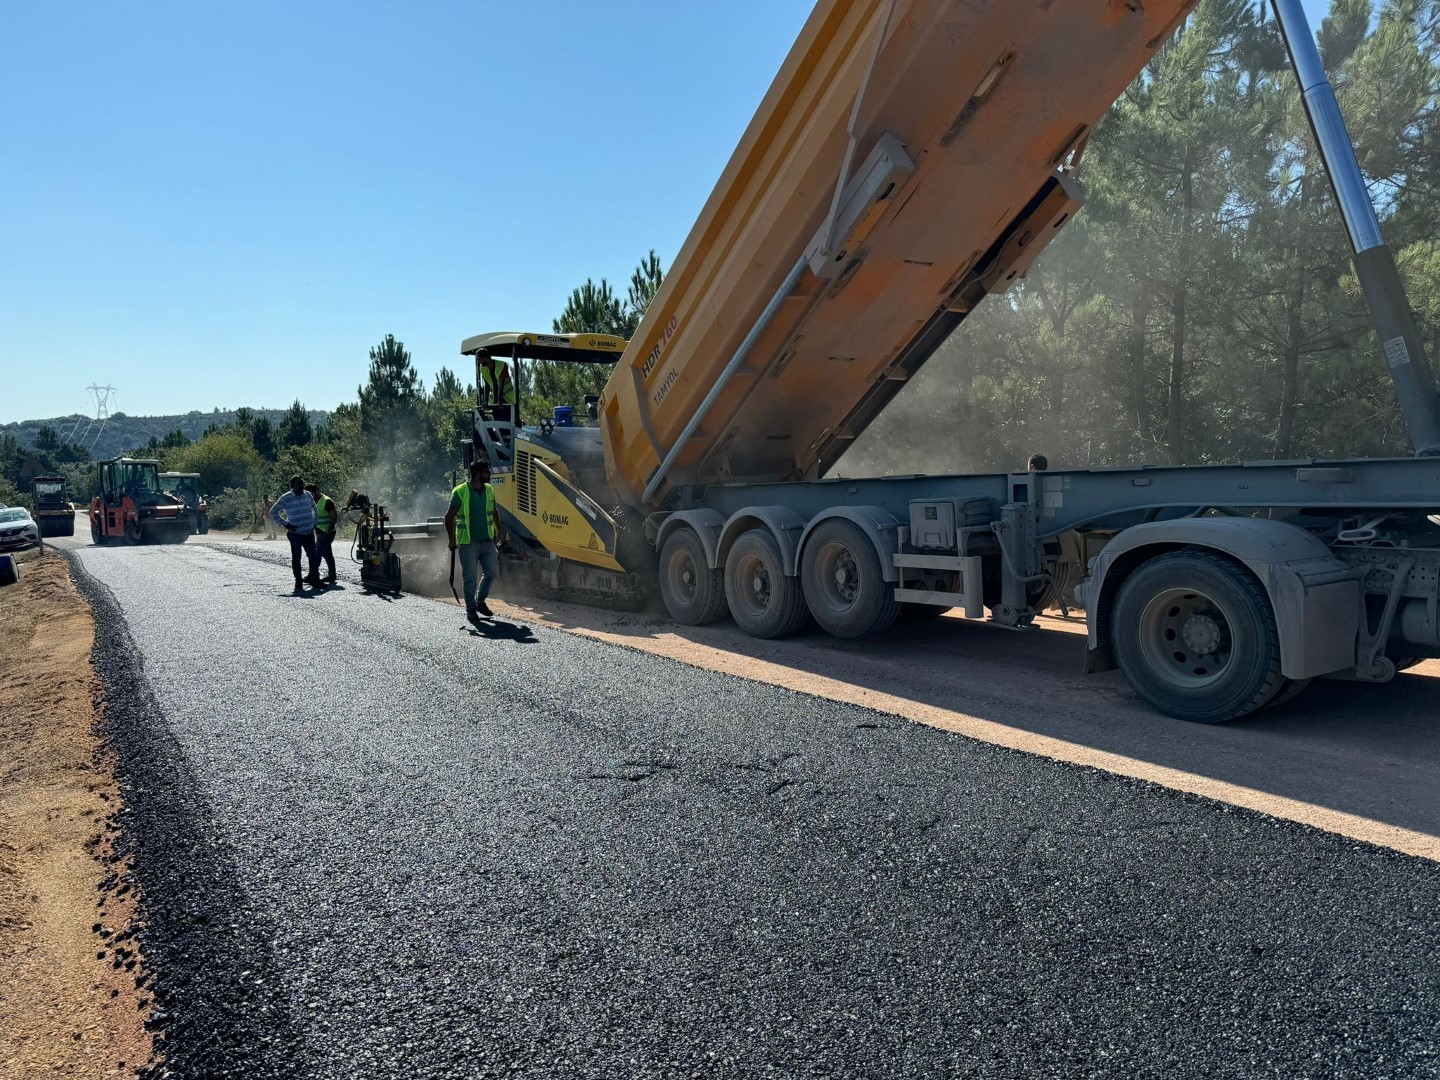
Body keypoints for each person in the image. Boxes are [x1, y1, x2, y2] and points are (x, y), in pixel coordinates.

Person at [444, 459, 503, 621]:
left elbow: (494, 511)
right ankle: (471, 609)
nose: (489, 474)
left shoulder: (489, 489)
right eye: (486, 472)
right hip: (468, 543)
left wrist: (499, 532)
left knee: (491, 572)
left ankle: (479, 601)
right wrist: (451, 539)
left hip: (487, 542)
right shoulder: (461, 491)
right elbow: (449, 517)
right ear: (477, 474)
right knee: (470, 577)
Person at [269, 475, 323, 592]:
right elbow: (273, 511)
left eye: (302, 483)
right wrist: (285, 523)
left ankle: (315, 579)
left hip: (308, 532)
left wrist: (314, 522)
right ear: (292, 486)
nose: (301, 486)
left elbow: (314, 508)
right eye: (298, 484)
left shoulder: (307, 495)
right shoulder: (286, 498)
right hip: (295, 534)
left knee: (313, 557)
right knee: (297, 557)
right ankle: (298, 581)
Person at [305, 483, 339, 585]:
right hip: (320, 531)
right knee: (328, 554)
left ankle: (313, 576)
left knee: (317, 554)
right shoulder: (313, 501)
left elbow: (334, 516)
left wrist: (329, 529)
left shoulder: (326, 501)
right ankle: (332, 576)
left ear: (316, 491)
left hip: (326, 532)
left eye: (311, 493)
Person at [478, 354, 517, 425]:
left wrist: (500, 400)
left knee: (508, 423)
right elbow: (487, 386)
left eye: (479, 359)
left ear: (486, 358)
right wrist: (485, 401)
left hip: (507, 401)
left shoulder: (501, 365)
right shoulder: (483, 369)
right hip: (495, 402)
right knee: (498, 424)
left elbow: (501, 382)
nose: (479, 362)